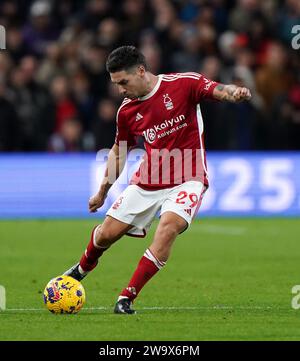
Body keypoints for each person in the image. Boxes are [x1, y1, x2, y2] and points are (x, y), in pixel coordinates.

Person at [64, 45, 251, 314]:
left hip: (189, 177)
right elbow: (120, 151)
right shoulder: (127, 111)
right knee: (106, 235)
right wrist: (103, 190)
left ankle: (126, 298)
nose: (120, 90)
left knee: (168, 228)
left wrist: (234, 93)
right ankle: (81, 269)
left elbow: (217, 89)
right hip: (148, 180)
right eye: (116, 84)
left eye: (124, 82)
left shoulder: (183, 83)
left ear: (141, 71)